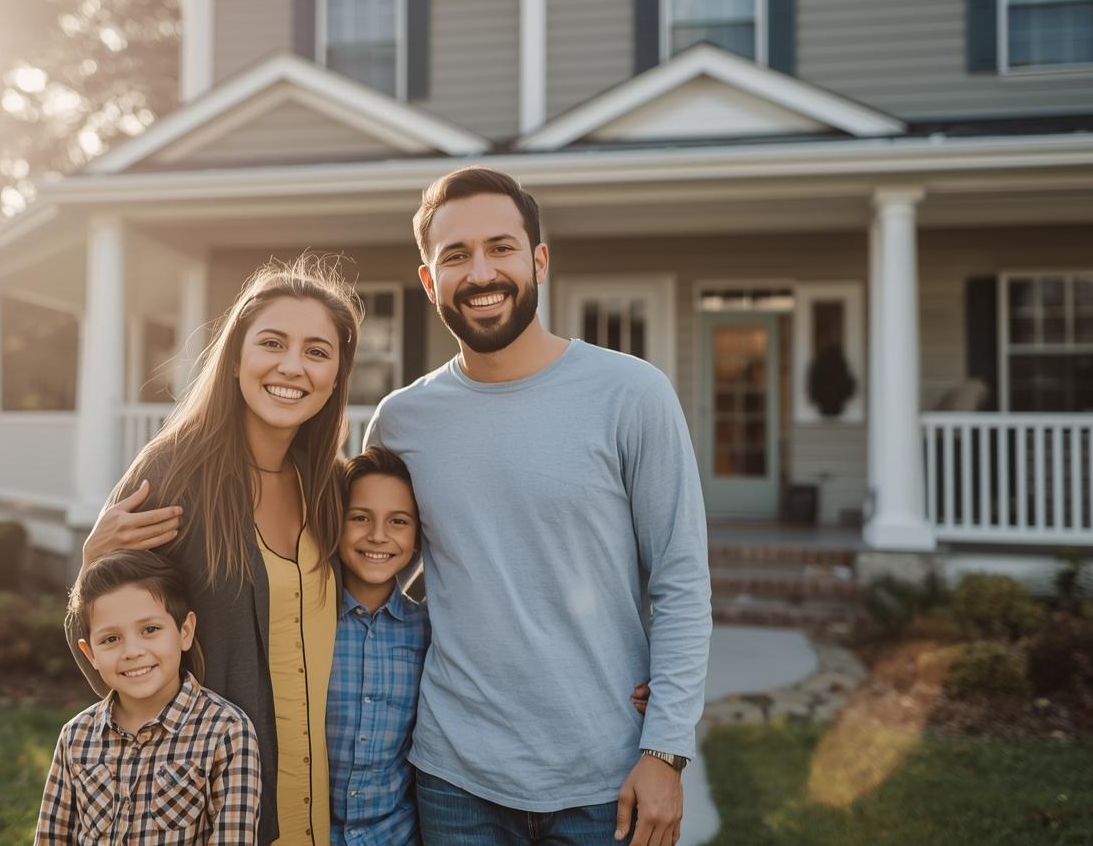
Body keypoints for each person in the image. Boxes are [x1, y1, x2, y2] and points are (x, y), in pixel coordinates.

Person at [365, 166, 712, 846]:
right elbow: (373, 571)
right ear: (430, 281)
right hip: (453, 777)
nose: (481, 272)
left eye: (501, 247)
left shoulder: (631, 394)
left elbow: (681, 579)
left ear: (539, 261)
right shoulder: (401, 422)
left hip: (604, 779)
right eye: (455, 255)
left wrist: (665, 750)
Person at [71, 256, 362, 846]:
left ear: (336, 374)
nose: (291, 366)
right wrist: (89, 570)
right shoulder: (174, 472)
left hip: (327, 815)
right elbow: (107, 640)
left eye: (316, 351)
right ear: (235, 359)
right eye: (273, 343)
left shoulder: (330, 485)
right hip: (217, 817)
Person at [36, 550, 261, 844]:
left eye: (150, 630)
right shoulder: (75, 738)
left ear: (185, 631)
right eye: (111, 639)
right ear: (90, 654)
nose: (132, 651)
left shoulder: (226, 732)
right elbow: (51, 838)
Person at [326, 446, 429, 846]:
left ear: (418, 537)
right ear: (336, 523)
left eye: (398, 521)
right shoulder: (302, 625)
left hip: (395, 835)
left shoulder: (428, 632)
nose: (378, 536)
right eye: (360, 518)